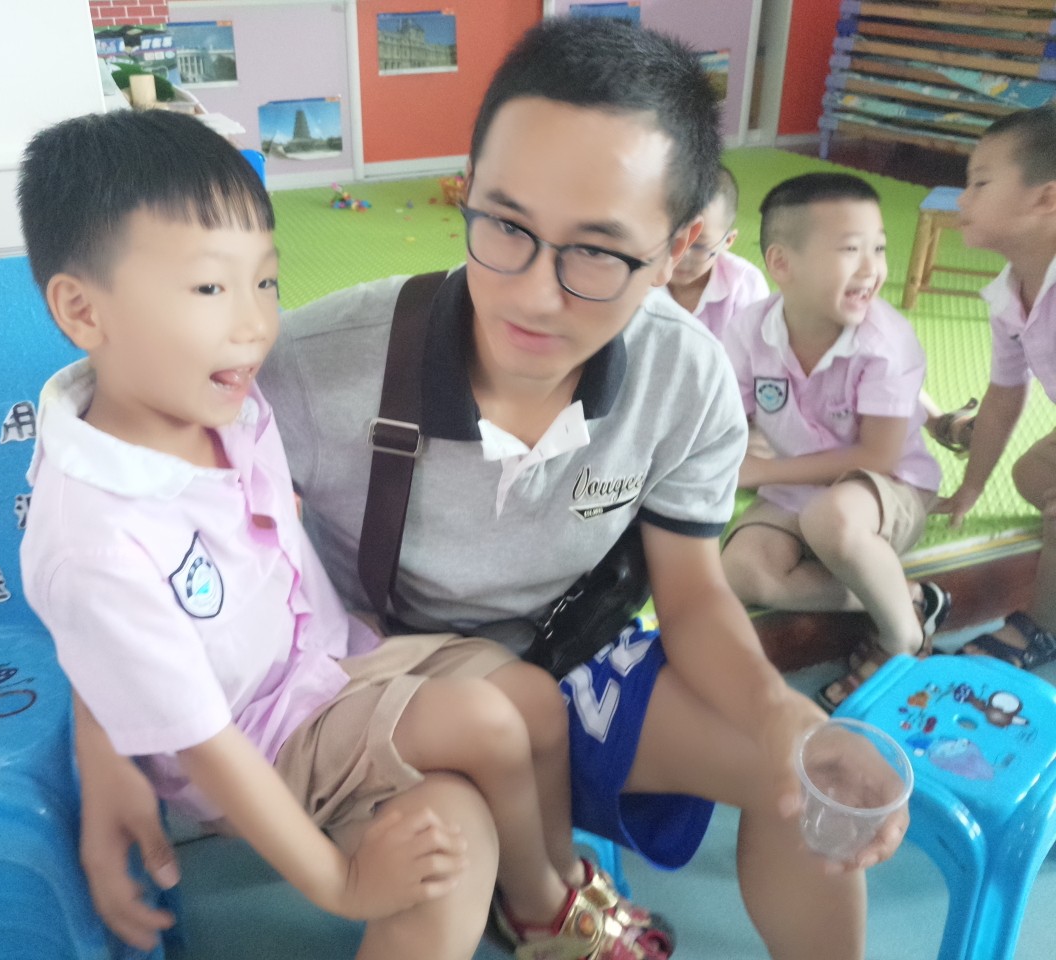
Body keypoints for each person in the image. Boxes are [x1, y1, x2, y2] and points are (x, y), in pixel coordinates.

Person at [72, 21, 908, 960]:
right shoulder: (309, 367)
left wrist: (786, 715)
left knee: (799, 777)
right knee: (446, 854)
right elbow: (123, 529)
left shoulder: (686, 378)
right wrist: (103, 748)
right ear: (467, 191)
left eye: (597, 252)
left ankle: (548, 891)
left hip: (573, 658)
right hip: (381, 686)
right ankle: (534, 901)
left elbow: (692, 596)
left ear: (680, 249)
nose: (535, 294)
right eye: (506, 226)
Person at [15, 109, 675, 960]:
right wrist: (340, 880)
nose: (255, 324)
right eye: (211, 290)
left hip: (333, 663)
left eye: (265, 281)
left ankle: (539, 895)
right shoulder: (95, 536)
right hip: (261, 742)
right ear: (82, 310)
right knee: (478, 750)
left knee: (531, 704)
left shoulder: (219, 400)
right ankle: (550, 912)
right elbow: (204, 744)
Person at [719, 173, 949, 711]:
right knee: (742, 570)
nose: (872, 269)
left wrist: (761, 471)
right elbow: (731, 419)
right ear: (782, 264)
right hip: (801, 489)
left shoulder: (885, 342)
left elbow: (878, 457)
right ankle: (909, 598)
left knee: (832, 520)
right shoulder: (750, 331)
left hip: (888, 488)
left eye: (879, 248)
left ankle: (901, 639)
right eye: (850, 249)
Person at [937, 105, 1056, 670]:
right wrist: (971, 488)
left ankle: (1042, 629)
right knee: (1030, 476)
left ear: (1046, 198)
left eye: (980, 183)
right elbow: (1006, 395)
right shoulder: (1009, 295)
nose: (963, 200)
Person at [665, 164, 769, 339]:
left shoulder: (744, 286)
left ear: (728, 241)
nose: (680, 255)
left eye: (698, 246)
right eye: (670, 240)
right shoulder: (637, 276)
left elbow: (756, 350)